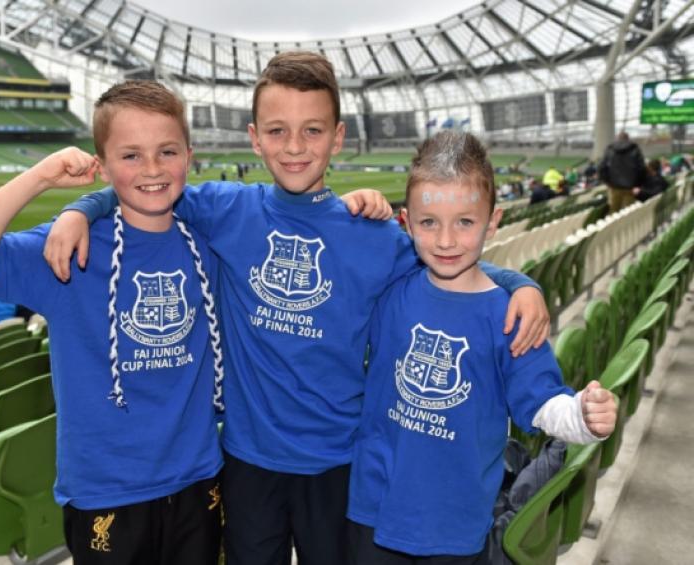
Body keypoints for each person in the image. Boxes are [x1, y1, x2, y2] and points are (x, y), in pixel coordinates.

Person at [44, 52, 551, 565]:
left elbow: (449, 266)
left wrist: (518, 283)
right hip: (247, 460)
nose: (294, 147)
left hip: (336, 463)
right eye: (278, 130)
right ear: (255, 137)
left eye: (312, 131)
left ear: (337, 137)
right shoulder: (227, 209)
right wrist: (81, 207)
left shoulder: (372, 235)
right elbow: (149, 186)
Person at [0, 81, 225, 565]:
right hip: (106, 492)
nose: (152, 169)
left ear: (189, 156)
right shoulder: (70, 247)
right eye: (130, 156)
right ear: (102, 163)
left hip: (199, 479)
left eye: (167, 151)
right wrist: (45, 177)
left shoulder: (212, 238)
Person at [347, 132, 616, 564]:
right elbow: (340, 246)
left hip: (455, 522)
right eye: (429, 222)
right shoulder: (390, 287)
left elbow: (544, 402)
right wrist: (354, 206)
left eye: (465, 222)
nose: (446, 240)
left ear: (493, 222)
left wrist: (583, 416)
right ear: (406, 222)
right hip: (373, 508)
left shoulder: (508, 316)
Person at [598, 132, 646, 212]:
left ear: (617, 138)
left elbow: (602, 168)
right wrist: (638, 184)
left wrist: (608, 182)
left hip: (614, 187)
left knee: (613, 212)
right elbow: (641, 168)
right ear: (628, 139)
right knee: (629, 212)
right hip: (630, 187)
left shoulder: (610, 149)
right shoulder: (635, 149)